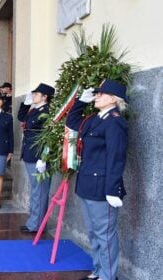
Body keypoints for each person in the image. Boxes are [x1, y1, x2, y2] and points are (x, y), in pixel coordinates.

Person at [66, 79, 128, 280]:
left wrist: (113, 189)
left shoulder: (114, 122)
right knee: (93, 232)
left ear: (113, 99)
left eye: (101, 94)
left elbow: (116, 157)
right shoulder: (96, 118)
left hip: (102, 187)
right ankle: (99, 270)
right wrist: (80, 103)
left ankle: (108, 276)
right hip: (86, 184)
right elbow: (72, 123)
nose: (97, 96)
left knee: (105, 235)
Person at [17, 83, 55, 233]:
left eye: (36, 94)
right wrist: (25, 104)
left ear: (45, 97)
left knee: (39, 191)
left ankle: (36, 225)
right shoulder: (35, 110)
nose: (33, 96)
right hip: (30, 153)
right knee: (35, 190)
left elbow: (49, 136)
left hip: (38, 156)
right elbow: (21, 118)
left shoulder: (47, 111)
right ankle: (35, 221)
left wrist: (44, 157)